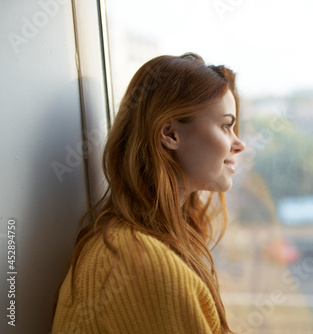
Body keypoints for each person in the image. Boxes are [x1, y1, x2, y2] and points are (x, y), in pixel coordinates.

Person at [52, 53, 245, 333]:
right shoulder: (139, 262)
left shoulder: (140, 244)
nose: (238, 143)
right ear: (170, 134)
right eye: (226, 125)